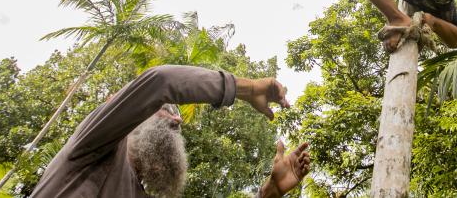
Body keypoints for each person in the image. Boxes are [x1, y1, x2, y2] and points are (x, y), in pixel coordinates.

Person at [31, 65, 310, 197]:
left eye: (177, 115)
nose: (177, 121)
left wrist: (270, 193)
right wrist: (246, 88)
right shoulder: (93, 148)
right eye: (166, 109)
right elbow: (161, 82)